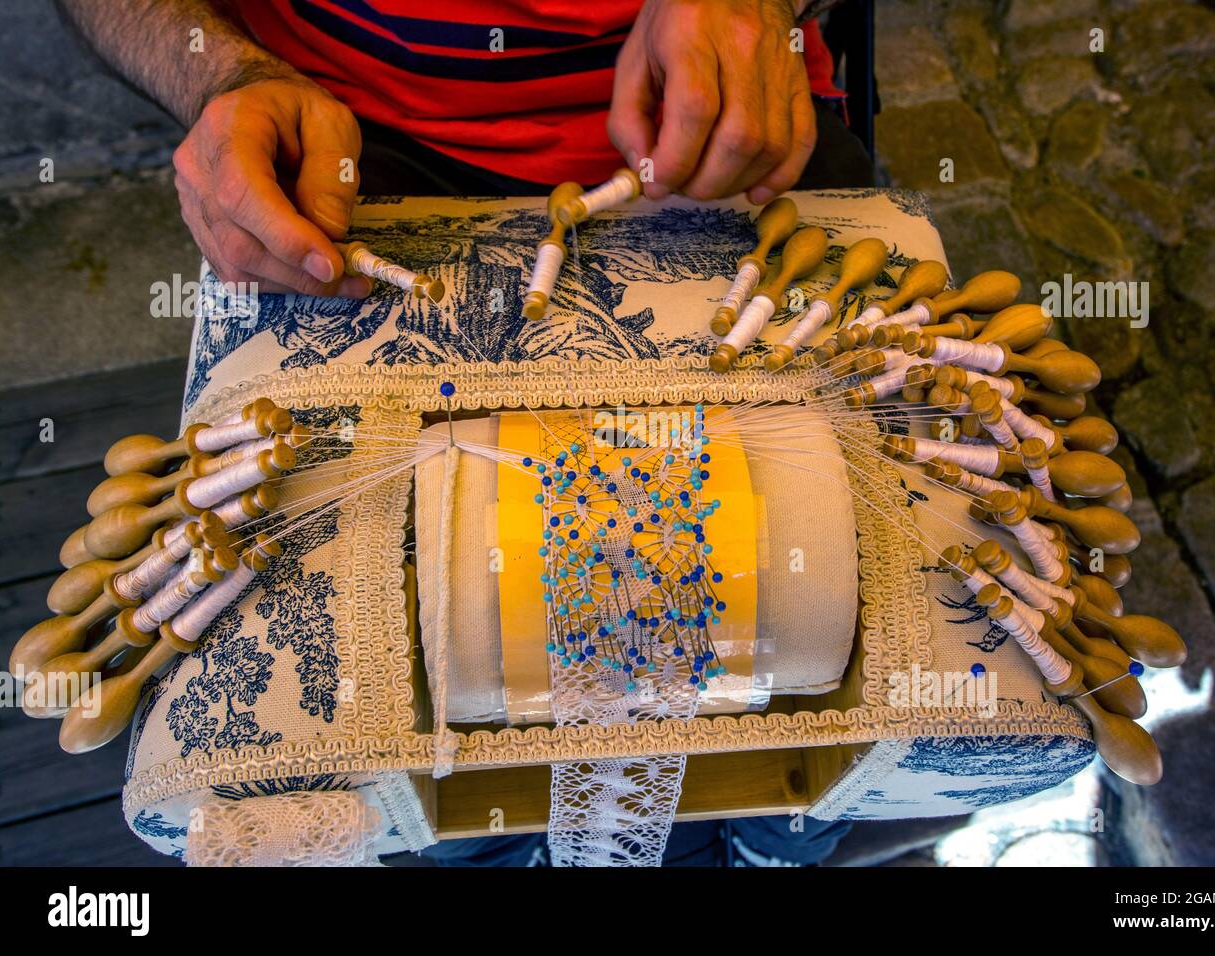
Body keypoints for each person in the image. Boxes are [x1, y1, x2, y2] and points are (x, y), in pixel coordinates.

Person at [56, 0, 866, 866]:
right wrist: (221, 73)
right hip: (344, 137)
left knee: (854, 693)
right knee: (408, 714)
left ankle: (776, 834)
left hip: (713, 119)